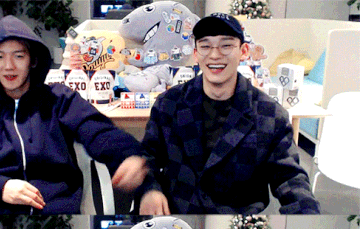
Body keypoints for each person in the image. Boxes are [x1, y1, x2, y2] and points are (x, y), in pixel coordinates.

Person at [0, 15, 148, 214]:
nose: (8, 66)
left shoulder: (60, 100)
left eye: (19, 56)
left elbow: (99, 132)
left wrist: (128, 155)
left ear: (33, 60)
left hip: (55, 208)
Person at [137, 13, 321, 215]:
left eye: (226, 45)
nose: (215, 55)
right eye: (205, 46)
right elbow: (147, 158)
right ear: (196, 54)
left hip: (238, 219)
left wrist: (306, 214)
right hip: (180, 215)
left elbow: (290, 178)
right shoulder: (169, 104)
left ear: (243, 51)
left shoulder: (270, 114)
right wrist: (150, 189)